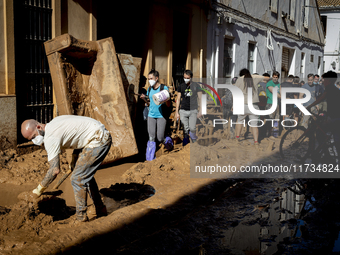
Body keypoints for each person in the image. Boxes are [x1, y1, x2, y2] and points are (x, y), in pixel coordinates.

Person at [21, 115, 112, 222]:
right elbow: (77, 135)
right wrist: (74, 159)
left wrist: (37, 191)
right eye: (31, 140)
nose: (34, 141)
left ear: (39, 127)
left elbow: (54, 170)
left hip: (99, 140)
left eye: (33, 137)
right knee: (85, 175)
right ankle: (100, 209)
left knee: (77, 178)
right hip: (96, 134)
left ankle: (81, 218)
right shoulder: (55, 122)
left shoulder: (50, 137)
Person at [306, 71, 340, 162]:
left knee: (319, 133)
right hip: (335, 117)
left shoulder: (330, 88)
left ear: (328, 80)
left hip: (334, 118)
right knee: (335, 138)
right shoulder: (335, 89)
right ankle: (328, 154)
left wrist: (309, 106)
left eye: (324, 79)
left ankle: (327, 155)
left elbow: (321, 98)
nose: (323, 81)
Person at [140, 69, 172, 161]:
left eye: (151, 78)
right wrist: (144, 99)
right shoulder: (149, 89)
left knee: (160, 138)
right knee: (151, 137)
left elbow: (168, 104)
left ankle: (169, 144)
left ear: (156, 78)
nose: (150, 80)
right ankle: (150, 159)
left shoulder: (163, 88)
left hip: (161, 116)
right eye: (149, 78)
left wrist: (167, 99)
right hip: (151, 115)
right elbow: (150, 103)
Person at [234, 68, 263, 145]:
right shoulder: (254, 79)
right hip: (253, 105)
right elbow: (266, 77)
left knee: (239, 121)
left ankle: (237, 138)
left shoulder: (239, 80)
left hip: (242, 105)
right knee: (254, 125)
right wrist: (253, 75)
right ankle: (256, 141)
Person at [175, 69, 202, 144]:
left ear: (191, 77)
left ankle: (194, 141)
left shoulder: (196, 86)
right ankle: (186, 142)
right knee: (185, 128)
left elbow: (200, 98)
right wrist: (177, 112)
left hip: (193, 110)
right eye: (184, 78)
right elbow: (178, 99)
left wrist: (201, 111)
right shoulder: (181, 86)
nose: (186, 79)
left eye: (187, 78)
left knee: (192, 128)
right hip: (183, 110)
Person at [266, 71, 281, 137]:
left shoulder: (279, 84)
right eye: (274, 77)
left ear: (278, 78)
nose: (275, 78)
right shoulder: (269, 83)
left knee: (276, 120)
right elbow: (273, 91)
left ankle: (274, 134)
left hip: (277, 104)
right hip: (270, 103)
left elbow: (281, 91)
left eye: (276, 77)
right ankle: (267, 134)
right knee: (270, 120)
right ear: (272, 77)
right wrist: (282, 97)